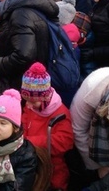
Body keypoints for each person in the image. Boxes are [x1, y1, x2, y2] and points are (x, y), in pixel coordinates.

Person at [20, 62, 75, 191]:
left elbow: (65, 141)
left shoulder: (60, 113)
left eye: (32, 101)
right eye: (25, 100)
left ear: (45, 98)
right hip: (29, 159)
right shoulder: (31, 105)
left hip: (51, 165)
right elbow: (24, 120)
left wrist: (30, 142)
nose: (28, 105)